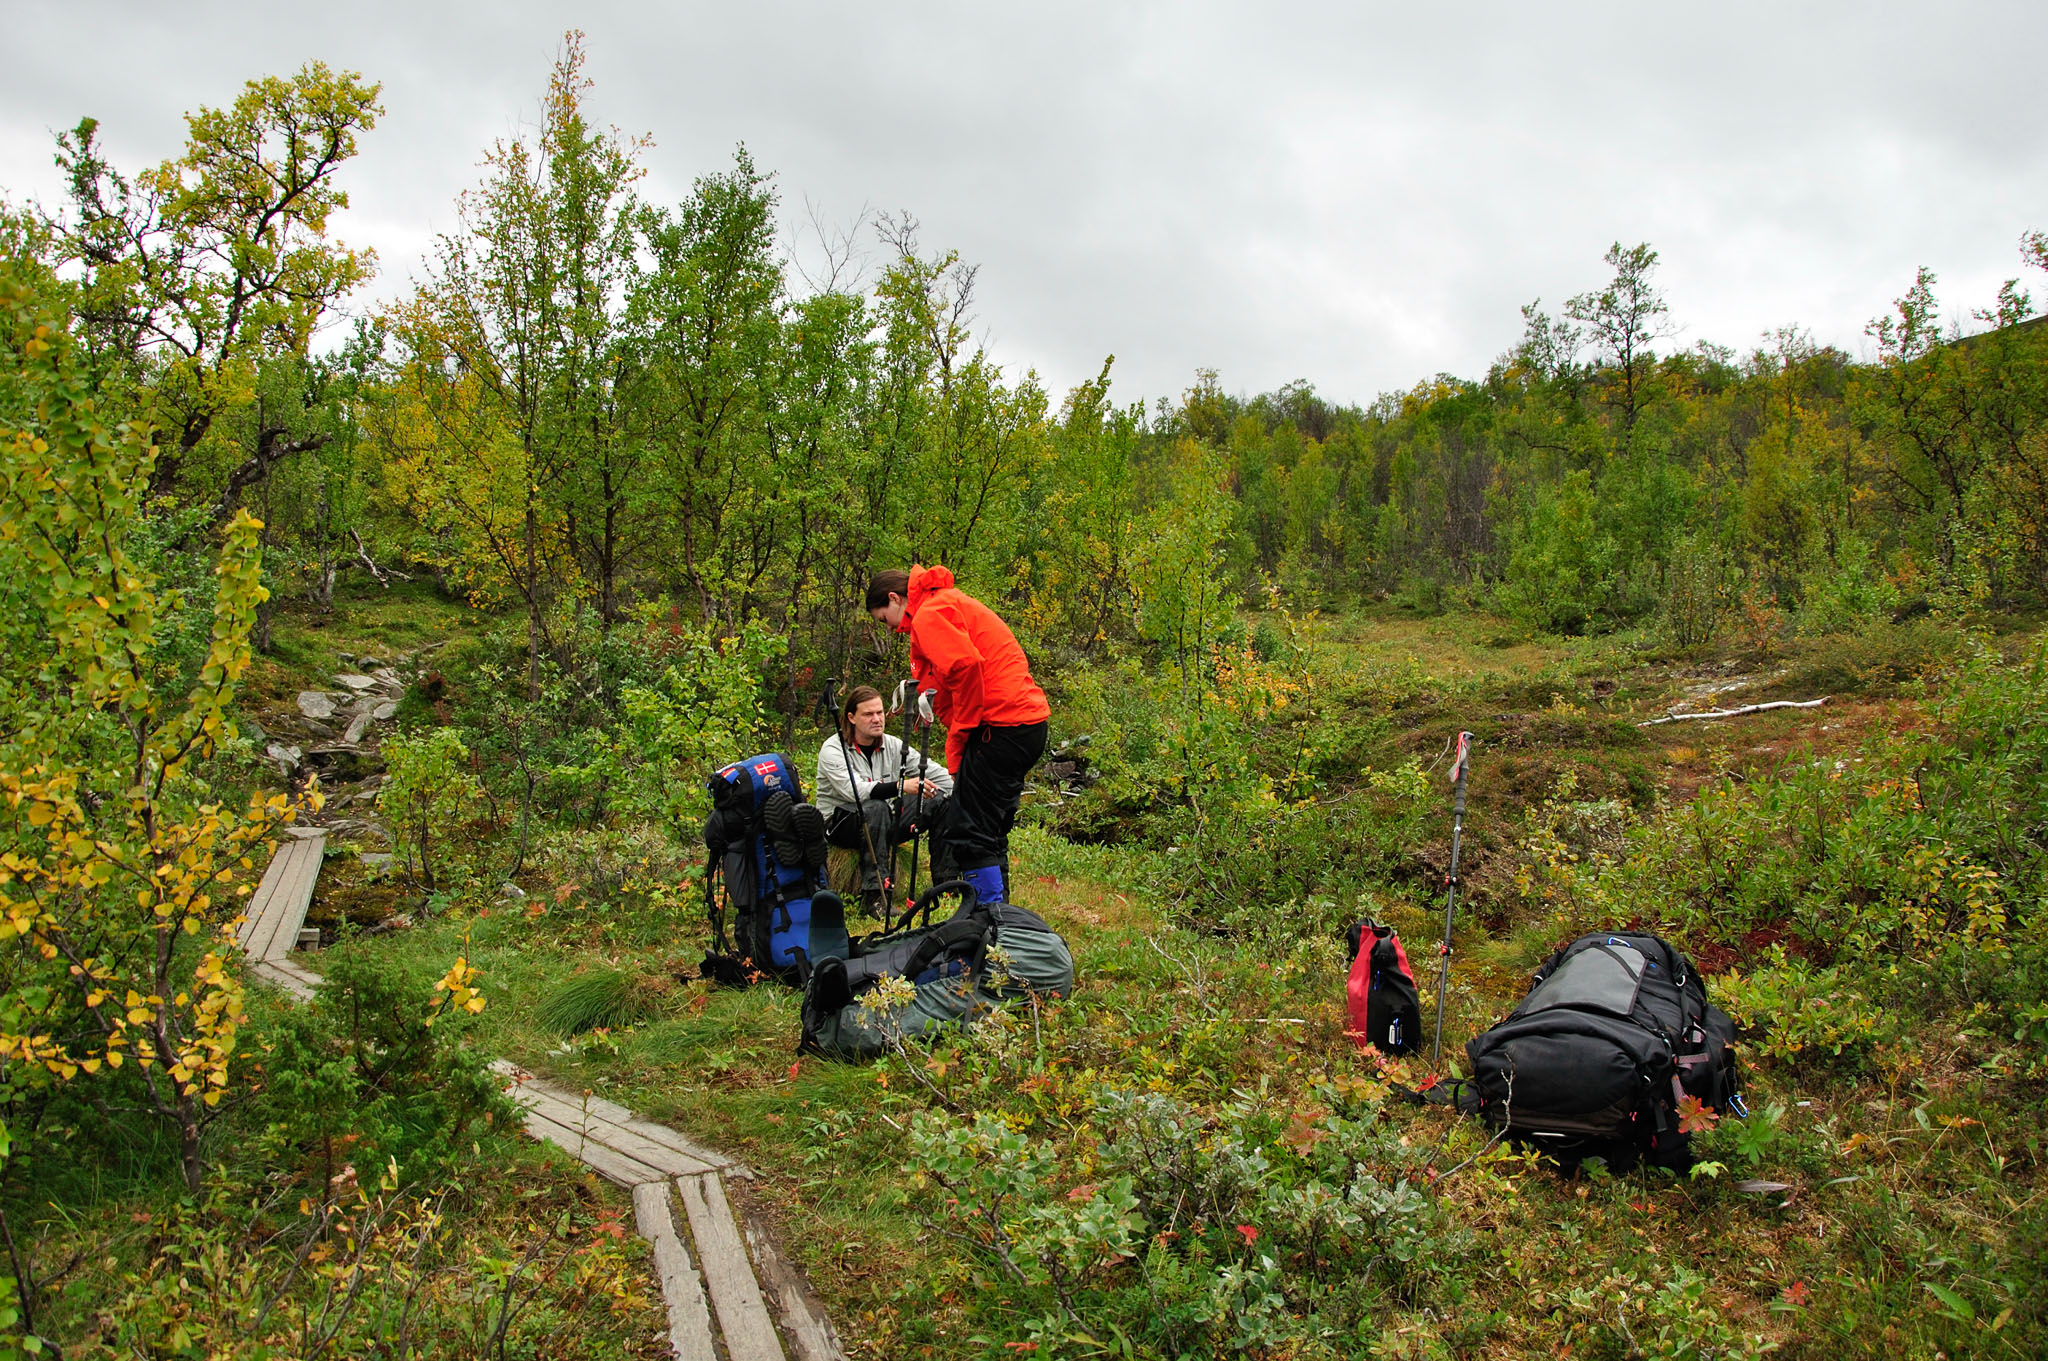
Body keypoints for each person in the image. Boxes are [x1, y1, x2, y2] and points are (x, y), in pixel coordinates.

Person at [866, 565, 1049, 906]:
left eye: (883, 619)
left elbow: (967, 666)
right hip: (1025, 724)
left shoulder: (929, 614)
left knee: (971, 833)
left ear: (894, 598)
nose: (889, 629)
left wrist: (960, 734)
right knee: (988, 830)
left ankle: (989, 921)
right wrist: (922, 691)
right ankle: (999, 921)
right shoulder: (944, 603)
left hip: (1002, 727)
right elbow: (951, 669)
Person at [814, 685, 954, 910]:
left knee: (937, 799)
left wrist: (966, 790)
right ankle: (876, 896)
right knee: (876, 807)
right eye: (868, 714)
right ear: (851, 717)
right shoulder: (833, 749)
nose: (877, 719)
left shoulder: (892, 745)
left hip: (883, 819)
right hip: (841, 825)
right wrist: (900, 786)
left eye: (879, 712)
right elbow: (854, 792)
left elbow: (931, 771)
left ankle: (946, 885)